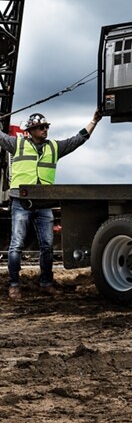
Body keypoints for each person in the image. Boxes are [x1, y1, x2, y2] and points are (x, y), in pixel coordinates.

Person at [0, 110, 101, 300]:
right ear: (30, 130)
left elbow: (78, 139)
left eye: (46, 127)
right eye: (41, 127)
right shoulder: (17, 144)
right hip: (21, 202)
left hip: (44, 204)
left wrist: (94, 121)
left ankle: (46, 283)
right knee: (16, 246)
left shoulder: (54, 147)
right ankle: (14, 285)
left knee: (47, 246)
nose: (45, 130)